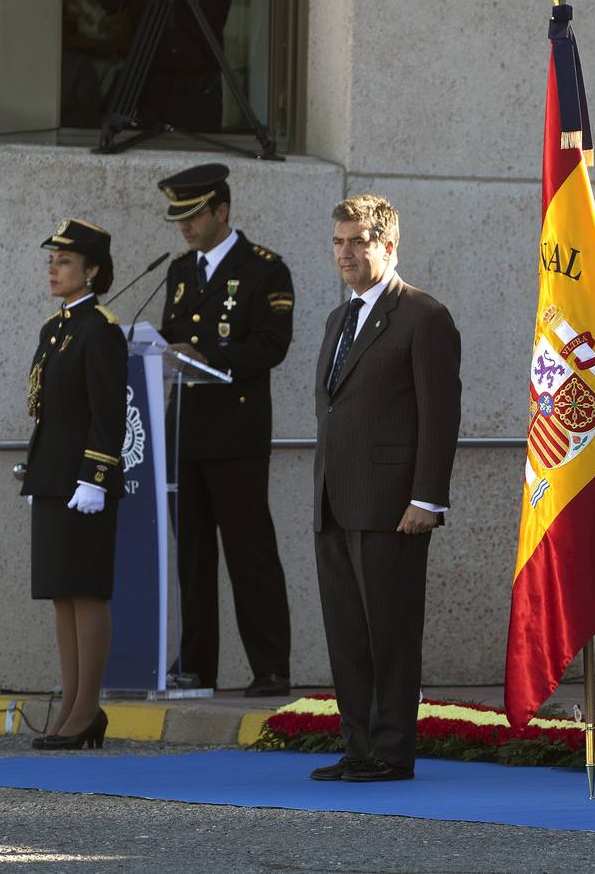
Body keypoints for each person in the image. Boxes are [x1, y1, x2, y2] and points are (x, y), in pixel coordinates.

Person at [309, 194, 461, 783]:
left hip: (393, 505)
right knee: (347, 632)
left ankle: (392, 752)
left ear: (388, 246)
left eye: (358, 243)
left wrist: (427, 497)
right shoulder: (338, 317)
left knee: (390, 634)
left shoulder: (424, 316)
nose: (346, 254)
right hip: (335, 499)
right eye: (339, 242)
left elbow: (439, 415)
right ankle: (359, 746)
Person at [157, 163, 294, 697]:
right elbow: (171, 337)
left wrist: (208, 354)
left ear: (222, 211)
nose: (185, 228)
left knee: (248, 551)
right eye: (180, 219)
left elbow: (272, 344)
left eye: (194, 217)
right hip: (184, 434)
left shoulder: (264, 269)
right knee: (192, 555)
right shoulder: (179, 271)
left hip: (236, 434)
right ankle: (197, 666)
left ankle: (271, 667)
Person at [22, 219, 128, 750]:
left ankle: (87, 710)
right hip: (52, 477)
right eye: (52, 260)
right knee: (61, 594)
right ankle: (71, 705)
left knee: (86, 592)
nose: (54, 268)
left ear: (92, 270)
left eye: (65, 261)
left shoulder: (100, 329)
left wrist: (97, 476)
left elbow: (108, 413)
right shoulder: (56, 327)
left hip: (85, 481)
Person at [98, 0, 237, 133]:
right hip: (144, 82)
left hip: (198, 83)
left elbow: (215, 8)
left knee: (200, 154)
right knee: (134, 152)